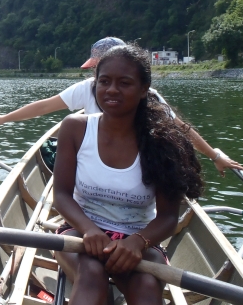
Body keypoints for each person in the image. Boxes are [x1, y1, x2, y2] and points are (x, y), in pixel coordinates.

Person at [53, 44, 203, 304]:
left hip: (140, 238)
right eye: (104, 81)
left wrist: (138, 241)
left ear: (144, 89)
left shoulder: (163, 141)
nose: (112, 90)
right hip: (81, 231)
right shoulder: (74, 128)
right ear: (95, 85)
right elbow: (61, 196)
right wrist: (89, 230)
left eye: (124, 83)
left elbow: (168, 217)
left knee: (146, 287)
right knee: (91, 273)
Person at [0, 37, 243, 176]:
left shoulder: (148, 96)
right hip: (93, 165)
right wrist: (4, 118)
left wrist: (215, 156)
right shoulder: (88, 88)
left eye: (123, 79)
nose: (108, 85)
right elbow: (43, 106)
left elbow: (179, 128)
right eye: (100, 74)